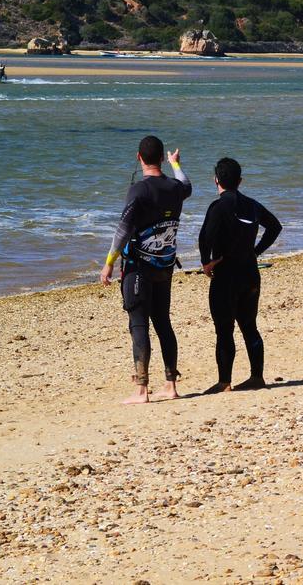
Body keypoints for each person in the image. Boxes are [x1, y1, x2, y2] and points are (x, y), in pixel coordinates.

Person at [99, 135, 192, 404]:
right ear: (161, 157)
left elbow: (122, 231)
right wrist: (176, 165)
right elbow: (187, 184)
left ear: (139, 158)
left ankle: (141, 390)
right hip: (164, 266)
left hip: (138, 268)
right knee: (163, 323)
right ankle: (171, 386)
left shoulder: (138, 191)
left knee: (138, 324)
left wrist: (108, 264)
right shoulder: (175, 188)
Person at [198, 157, 282, 394]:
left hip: (226, 277)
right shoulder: (252, 205)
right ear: (240, 181)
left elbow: (205, 238)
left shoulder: (218, 207)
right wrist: (255, 251)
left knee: (224, 329)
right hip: (250, 274)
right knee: (249, 326)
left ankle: (224, 381)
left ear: (216, 180)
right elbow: (275, 226)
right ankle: (257, 376)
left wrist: (207, 263)